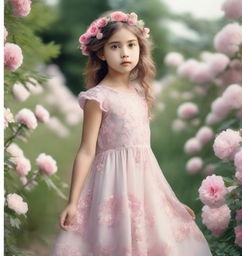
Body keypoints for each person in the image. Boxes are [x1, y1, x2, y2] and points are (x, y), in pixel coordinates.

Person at [51, 10, 212, 256]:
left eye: (131, 45)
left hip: (144, 186)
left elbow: (147, 159)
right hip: (111, 186)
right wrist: (73, 202)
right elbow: (86, 150)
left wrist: (172, 202)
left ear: (140, 49)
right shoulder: (98, 98)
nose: (125, 53)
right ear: (101, 53)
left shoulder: (140, 95)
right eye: (115, 46)